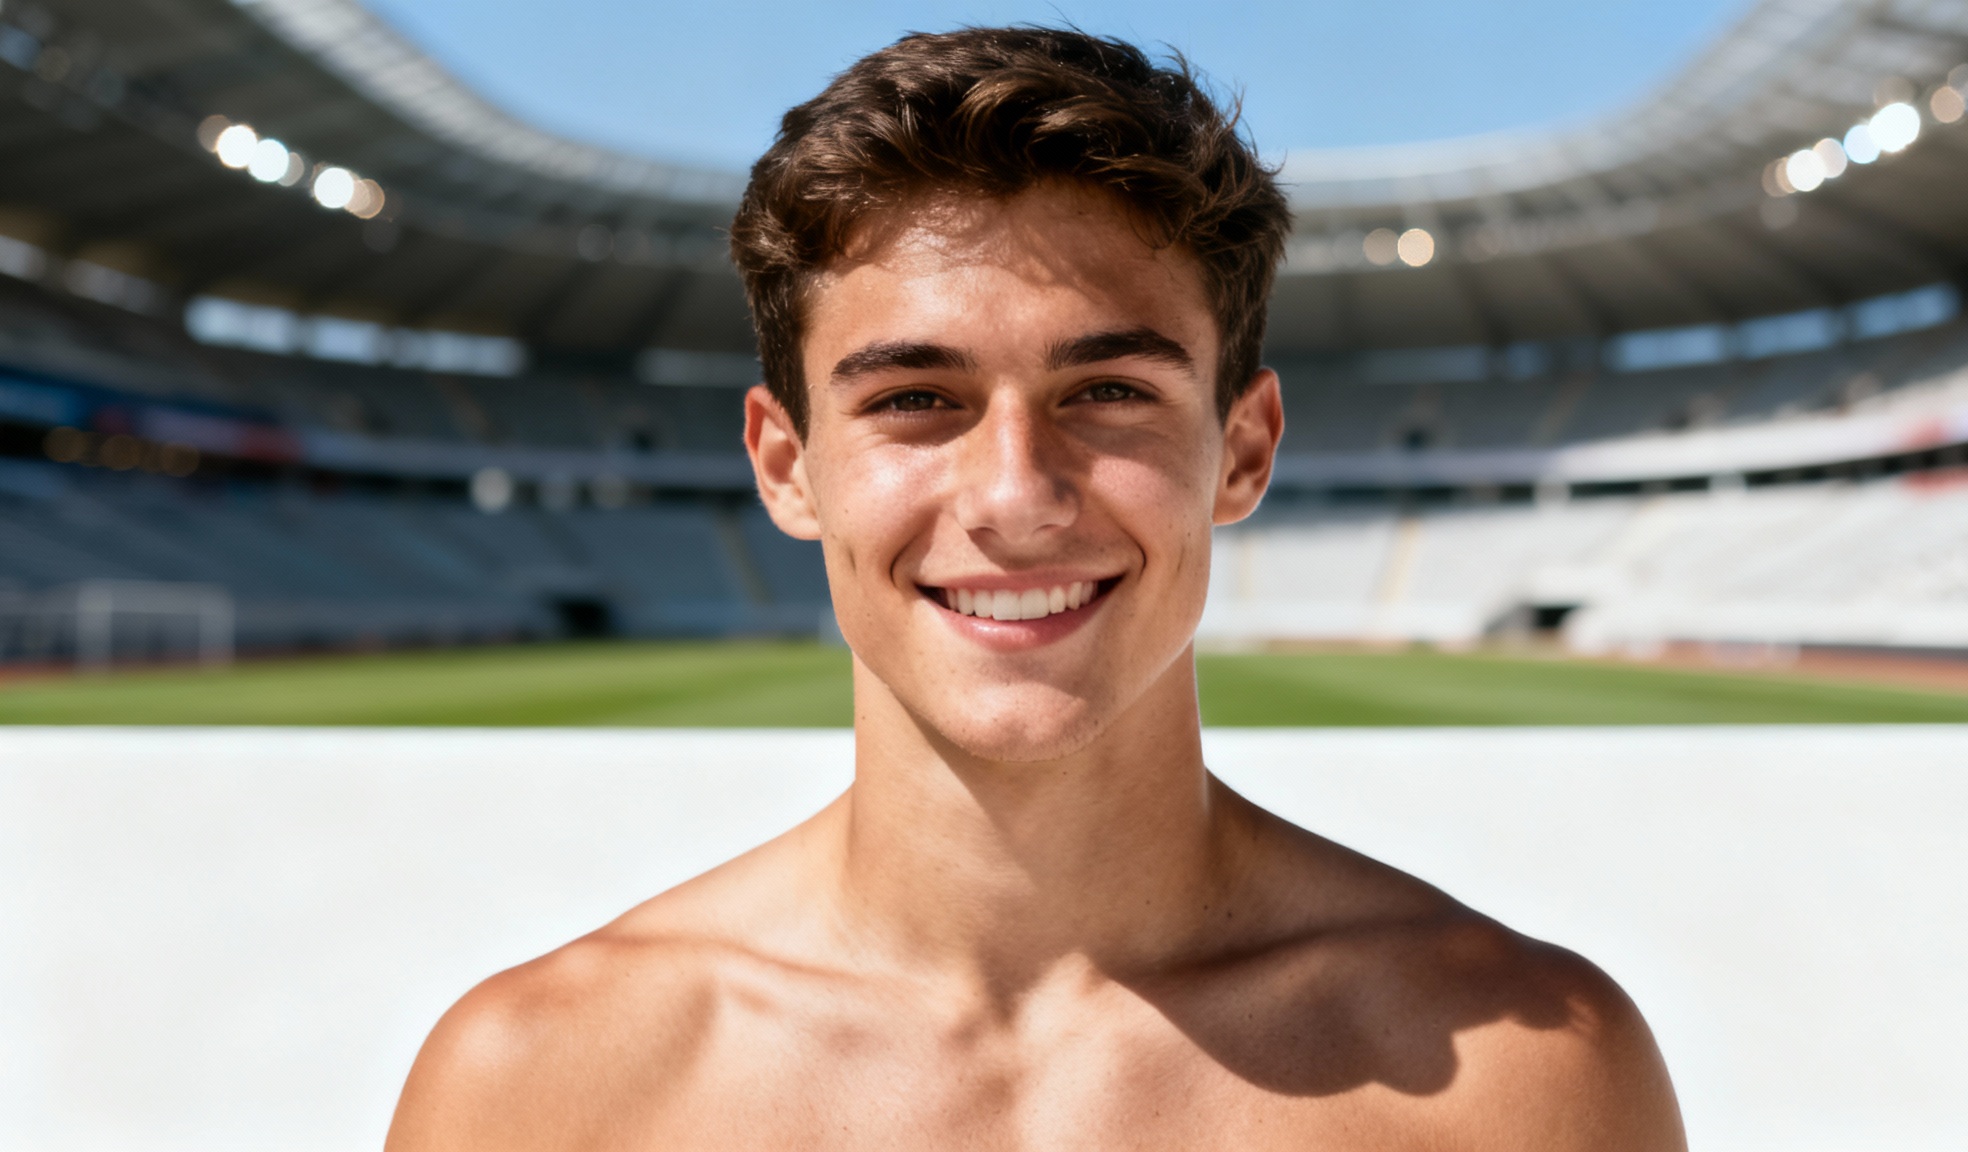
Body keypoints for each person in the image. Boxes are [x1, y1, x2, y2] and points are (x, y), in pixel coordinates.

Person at [386, 28, 1686, 1150]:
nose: (1015, 494)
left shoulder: (1525, 1080)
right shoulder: (537, 1087)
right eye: (915, 401)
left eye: (1108, 393)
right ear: (788, 468)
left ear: (1242, 450)